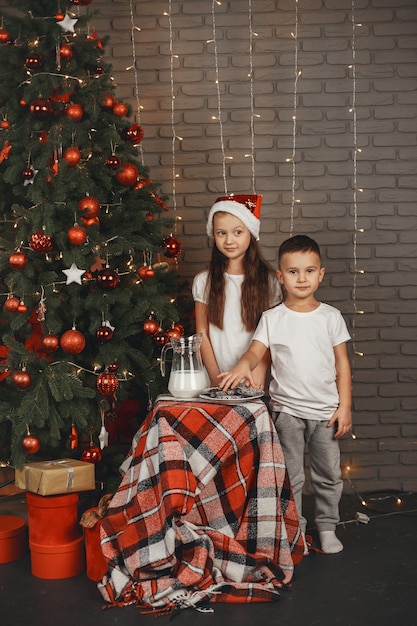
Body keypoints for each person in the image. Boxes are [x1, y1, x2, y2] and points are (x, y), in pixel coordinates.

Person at [218, 234, 352, 554]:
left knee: (328, 474)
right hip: (287, 412)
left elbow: (343, 365)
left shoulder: (330, 317)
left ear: (320, 274)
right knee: (290, 476)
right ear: (281, 277)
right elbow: (254, 353)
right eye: (293, 271)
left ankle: (328, 526)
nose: (301, 278)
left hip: (325, 413)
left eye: (309, 271)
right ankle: (296, 531)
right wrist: (241, 367)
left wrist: (345, 406)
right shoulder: (273, 318)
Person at [192, 194, 282, 389]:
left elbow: (271, 332)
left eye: (237, 232)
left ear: (250, 232)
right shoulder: (203, 281)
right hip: (216, 378)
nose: (229, 240)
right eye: (221, 233)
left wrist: (259, 371)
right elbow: (202, 334)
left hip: (252, 379)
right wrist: (216, 378)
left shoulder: (269, 281)